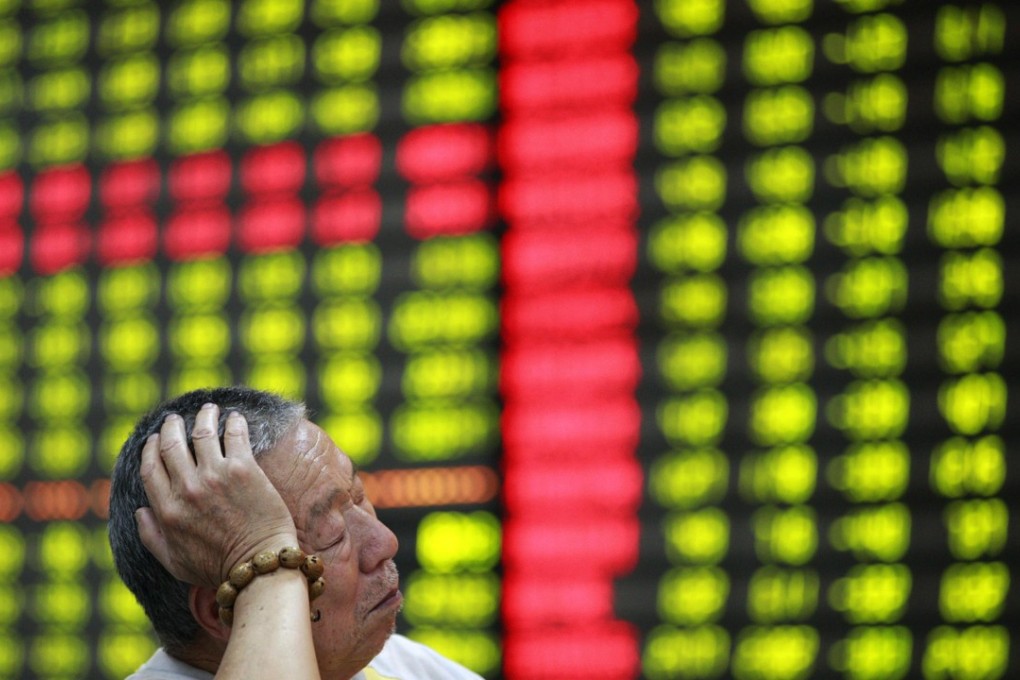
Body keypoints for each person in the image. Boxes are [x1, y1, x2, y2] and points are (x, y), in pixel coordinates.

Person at [108, 386, 483, 679]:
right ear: (225, 612)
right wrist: (261, 555)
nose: (385, 543)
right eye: (333, 535)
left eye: (357, 496)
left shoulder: (405, 667)